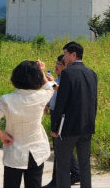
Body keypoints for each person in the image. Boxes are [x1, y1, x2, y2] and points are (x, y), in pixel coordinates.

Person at [0, 60, 55, 188]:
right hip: (37, 151)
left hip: (14, 152)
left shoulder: (7, 99)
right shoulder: (42, 96)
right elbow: (52, 86)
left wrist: (3, 136)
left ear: (15, 77)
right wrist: (42, 71)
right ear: (37, 78)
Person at [51, 41, 98, 188]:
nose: (64, 57)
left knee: (63, 167)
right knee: (85, 166)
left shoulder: (67, 73)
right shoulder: (92, 73)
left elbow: (61, 102)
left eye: (65, 53)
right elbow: (94, 101)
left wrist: (54, 126)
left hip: (68, 127)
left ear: (73, 54)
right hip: (87, 126)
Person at [42, 55, 80, 188]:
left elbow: (63, 94)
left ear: (66, 66)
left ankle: (60, 180)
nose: (56, 66)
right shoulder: (59, 78)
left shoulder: (66, 79)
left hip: (62, 117)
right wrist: (48, 104)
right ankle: (74, 173)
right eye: (56, 62)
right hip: (56, 113)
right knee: (61, 148)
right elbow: (55, 95)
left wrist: (45, 76)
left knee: (60, 148)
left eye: (59, 63)